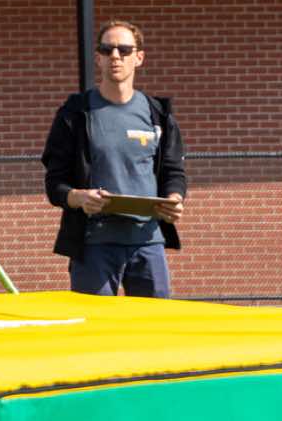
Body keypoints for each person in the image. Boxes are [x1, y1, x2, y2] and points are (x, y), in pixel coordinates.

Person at [41, 20, 186, 297]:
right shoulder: (75, 113)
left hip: (148, 242)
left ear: (139, 57)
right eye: (107, 50)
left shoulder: (158, 113)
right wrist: (79, 197)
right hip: (94, 245)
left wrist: (175, 199)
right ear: (98, 58)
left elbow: (173, 171)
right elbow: (55, 183)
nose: (115, 56)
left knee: (155, 322)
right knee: (95, 324)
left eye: (124, 50)